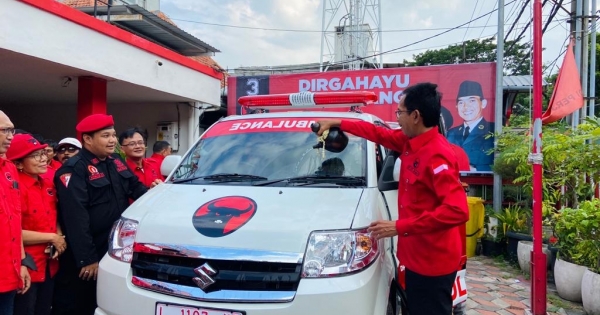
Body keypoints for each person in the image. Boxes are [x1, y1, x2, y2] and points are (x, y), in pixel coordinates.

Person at [315, 83, 469, 315]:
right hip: (415, 257)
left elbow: (457, 211)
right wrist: (337, 123)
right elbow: (377, 133)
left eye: (400, 112)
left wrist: (398, 226)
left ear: (416, 116)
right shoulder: (410, 142)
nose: (398, 117)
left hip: (433, 262)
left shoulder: (437, 155)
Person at [52, 114, 148, 315]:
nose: (112, 140)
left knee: (108, 303)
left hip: (114, 248)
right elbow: (75, 217)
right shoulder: (73, 169)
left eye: (113, 135)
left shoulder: (115, 161)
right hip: (88, 253)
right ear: (87, 139)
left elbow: (137, 189)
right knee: (80, 304)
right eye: (106, 136)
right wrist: (87, 259)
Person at [7, 134, 66, 315]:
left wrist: (58, 236)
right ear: (18, 164)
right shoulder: (14, 189)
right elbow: (12, 231)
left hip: (49, 263)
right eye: (34, 155)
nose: (43, 159)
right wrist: (53, 237)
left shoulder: (47, 182)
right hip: (26, 266)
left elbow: (55, 214)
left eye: (42, 153)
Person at [0, 110, 31, 315]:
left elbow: (15, 219)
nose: (11, 136)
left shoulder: (10, 169)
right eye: (4, 130)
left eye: (11, 130)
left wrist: (22, 262)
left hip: (8, 273)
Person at [446, 80, 495, 171]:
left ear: (483, 103)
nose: (466, 107)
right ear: (456, 106)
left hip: (482, 183)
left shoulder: (493, 130)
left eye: (472, 101)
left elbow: (501, 164)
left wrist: (475, 169)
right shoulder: (451, 133)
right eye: (461, 102)